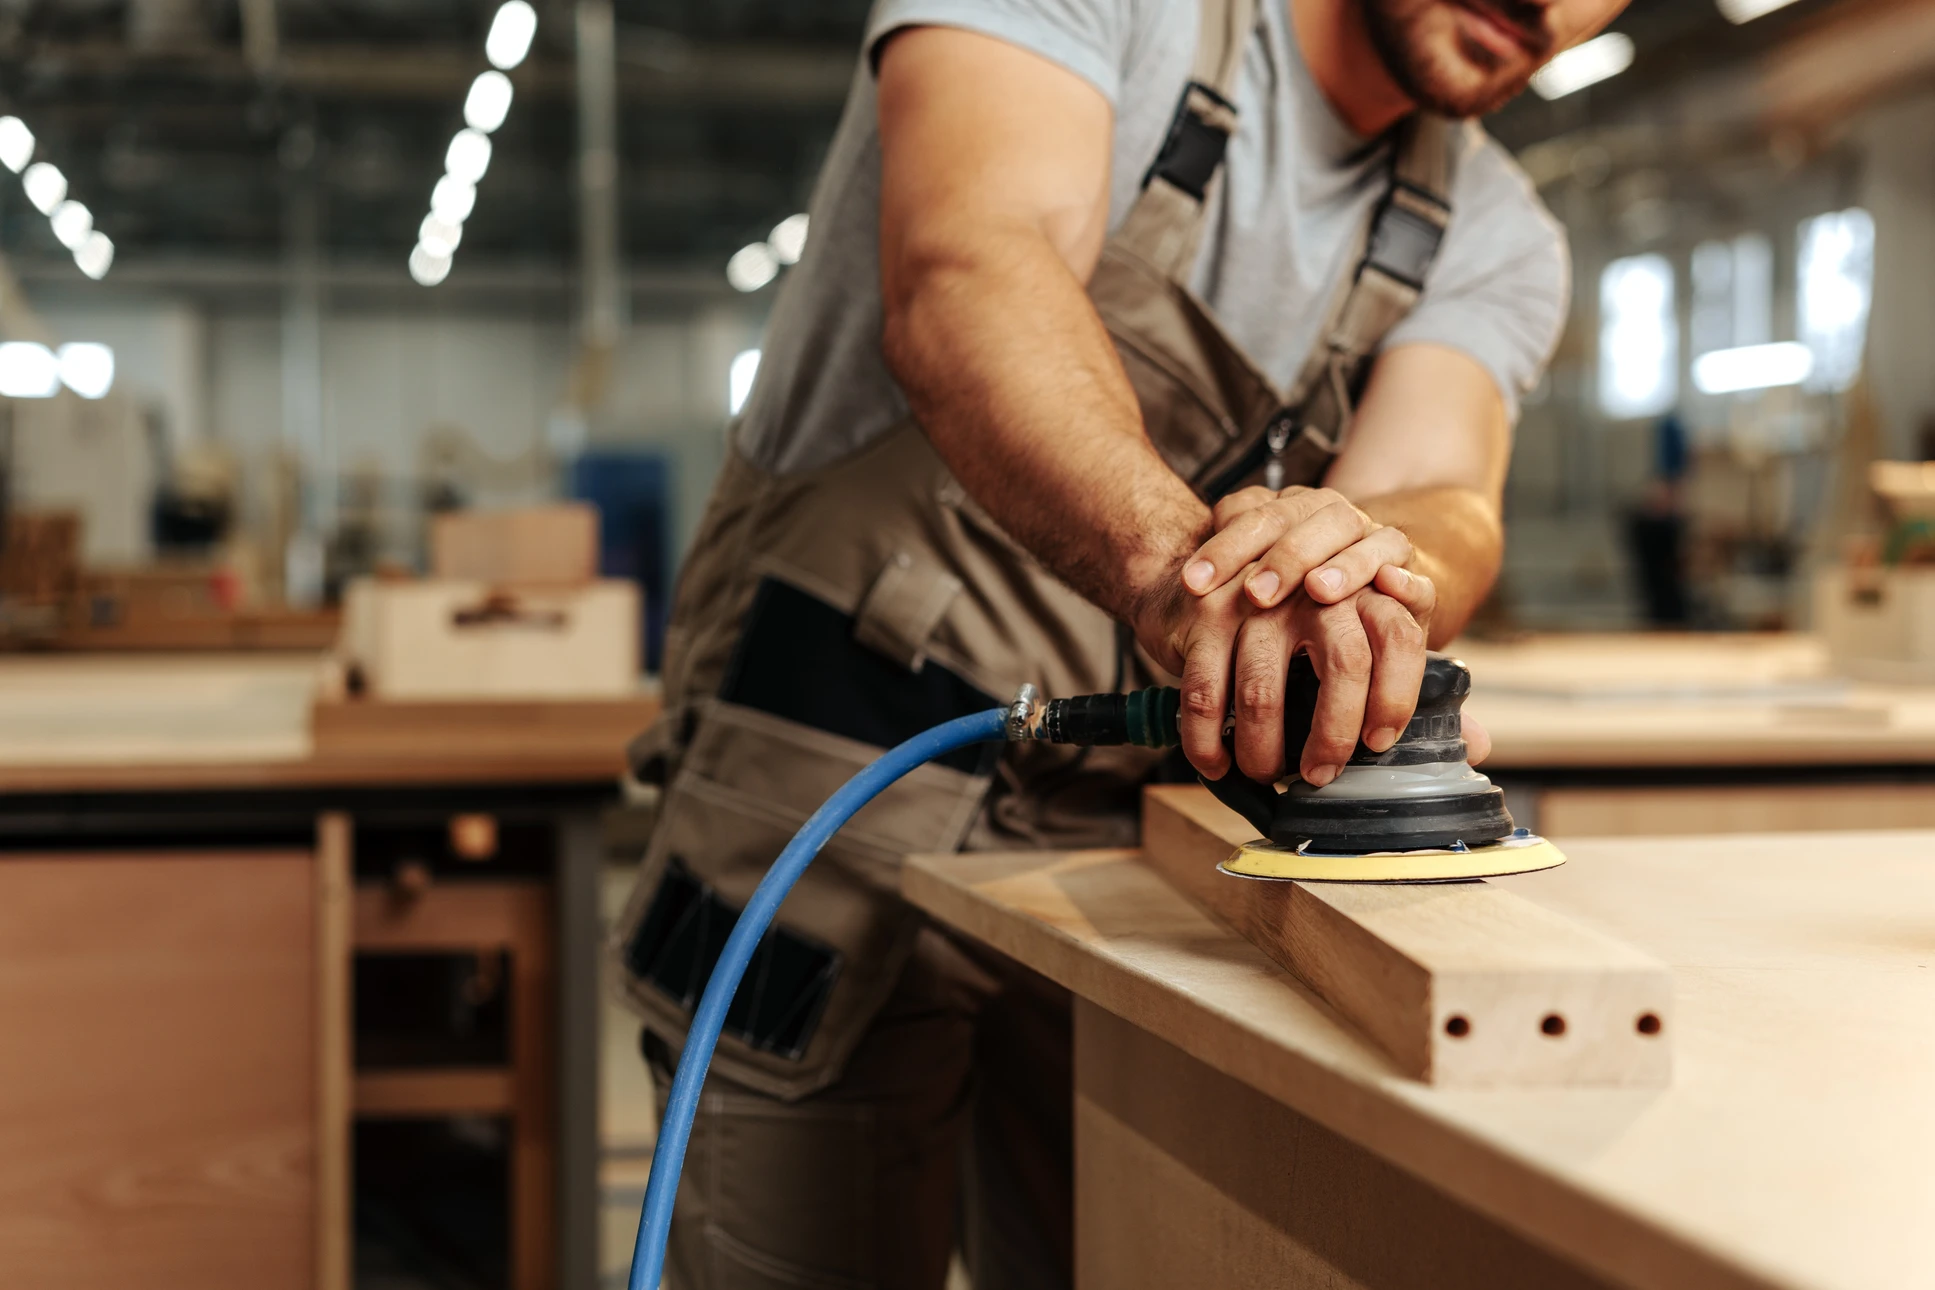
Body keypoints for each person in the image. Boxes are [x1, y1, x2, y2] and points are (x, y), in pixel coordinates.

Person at [615, 1, 1629, 1285]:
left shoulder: (1496, 231)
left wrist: (1351, 580)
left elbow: (1442, 490)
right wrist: (1189, 579)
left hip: (1143, 854)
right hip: (834, 769)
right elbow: (970, 272)